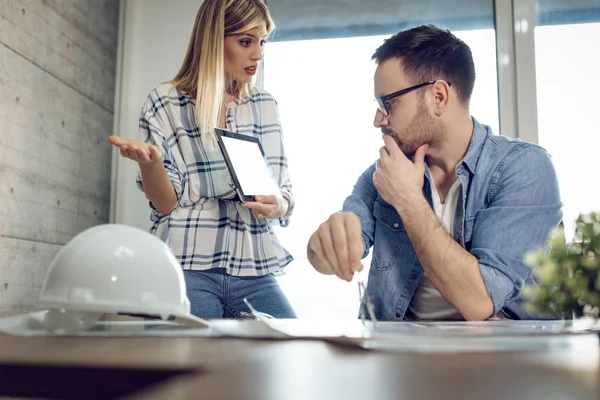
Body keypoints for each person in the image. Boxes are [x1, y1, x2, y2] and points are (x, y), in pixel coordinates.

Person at [306, 25, 562, 321]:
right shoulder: (385, 173)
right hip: (397, 353)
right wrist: (324, 247)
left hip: (500, 357)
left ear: (438, 96)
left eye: (387, 103)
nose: (378, 119)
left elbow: (480, 302)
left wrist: (408, 200)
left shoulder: (524, 167)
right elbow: (331, 249)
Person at [109, 0, 296, 319]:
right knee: (195, 354)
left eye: (262, 42)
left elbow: (284, 194)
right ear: (213, 40)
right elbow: (167, 205)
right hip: (185, 263)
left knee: (292, 349)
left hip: (253, 266)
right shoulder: (166, 102)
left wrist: (277, 204)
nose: (258, 55)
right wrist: (150, 164)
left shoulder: (264, 105)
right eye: (246, 42)